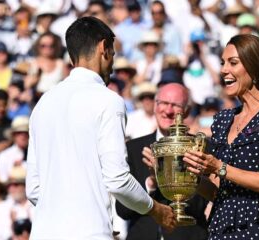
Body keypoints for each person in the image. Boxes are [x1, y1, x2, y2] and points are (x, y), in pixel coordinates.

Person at [25, 16, 176, 239]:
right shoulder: (108, 100)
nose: (113, 63)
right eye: (113, 54)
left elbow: (34, 189)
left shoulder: (43, 104)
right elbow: (117, 180)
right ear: (103, 47)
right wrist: (157, 209)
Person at [182, 34, 259, 239]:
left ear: (254, 67)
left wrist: (218, 167)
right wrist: (188, 175)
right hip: (221, 228)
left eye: (233, 63)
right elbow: (218, 191)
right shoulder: (223, 119)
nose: (223, 70)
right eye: (222, 63)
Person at [116, 83, 209, 240]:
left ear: (186, 111)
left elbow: (202, 206)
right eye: (164, 103)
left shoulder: (200, 148)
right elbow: (123, 210)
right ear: (154, 106)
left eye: (175, 105)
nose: (168, 110)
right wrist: (151, 184)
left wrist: (170, 177)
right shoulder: (134, 148)